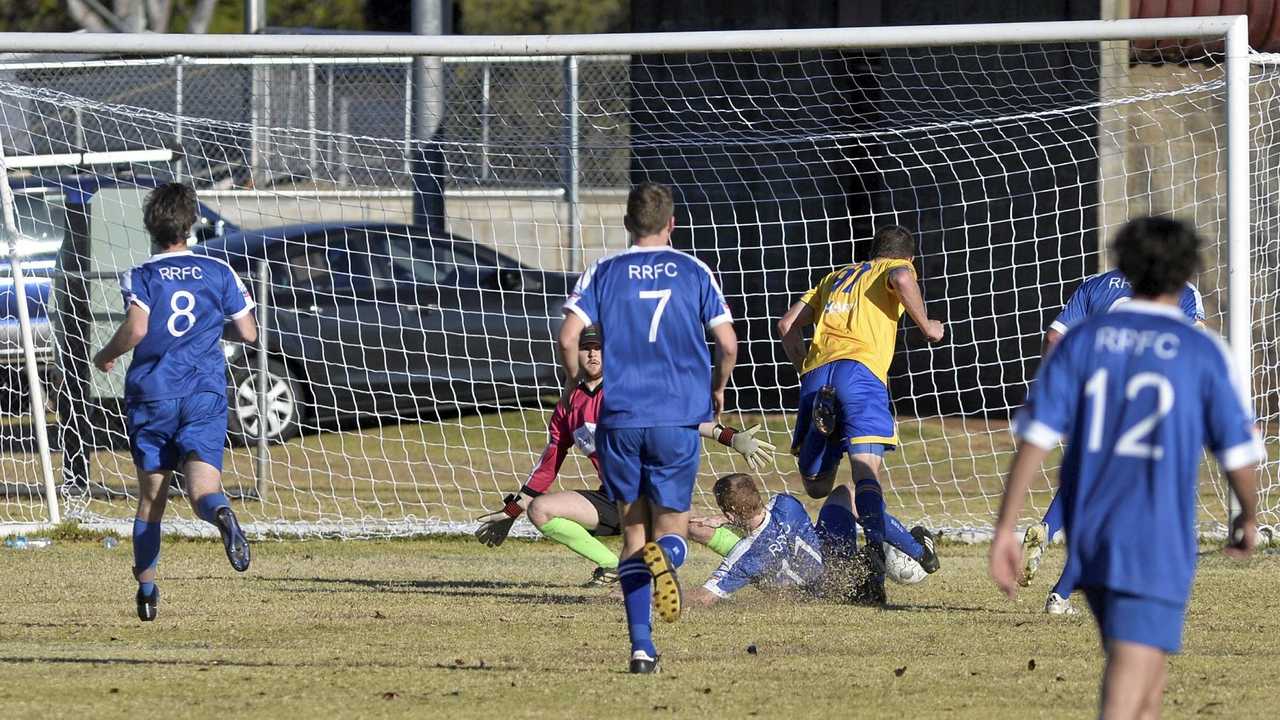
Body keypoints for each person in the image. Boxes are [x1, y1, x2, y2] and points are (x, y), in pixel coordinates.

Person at [989, 216, 1261, 720]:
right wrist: (1248, 514)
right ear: (1186, 273)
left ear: (1126, 266)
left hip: (1089, 527)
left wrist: (1006, 526)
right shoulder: (1199, 349)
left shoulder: (1087, 340)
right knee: (1131, 670)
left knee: (1145, 673)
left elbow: (1034, 437)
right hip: (1154, 528)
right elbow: (1239, 452)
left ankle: (1047, 542)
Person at [558, 181, 737, 674]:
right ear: (672, 223)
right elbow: (727, 343)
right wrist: (717, 390)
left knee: (632, 537)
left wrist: (575, 379)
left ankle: (641, 649)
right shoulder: (693, 270)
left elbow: (569, 335)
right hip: (676, 417)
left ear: (626, 224)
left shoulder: (605, 270)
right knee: (670, 531)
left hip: (620, 418)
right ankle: (670, 554)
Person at [474, 325, 773, 586]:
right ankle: (613, 566)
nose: (592, 355)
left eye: (599, 349)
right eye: (585, 349)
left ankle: (759, 561)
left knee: (689, 528)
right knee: (540, 509)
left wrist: (731, 437)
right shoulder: (567, 407)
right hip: (614, 496)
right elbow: (549, 463)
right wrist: (513, 511)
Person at [91, 182, 258, 622]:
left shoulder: (140, 274)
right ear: (192, 225)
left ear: (151, 227)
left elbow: (138, 329)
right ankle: (222, 515)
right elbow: (248, 333)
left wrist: (106, 355)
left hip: (153, 395)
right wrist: (204, 333)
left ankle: (146, 591)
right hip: (203, 392)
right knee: (204, 488)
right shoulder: (219, 270)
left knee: (152, 500)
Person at [776, 225, 945, 604]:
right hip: (861, 375)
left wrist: (805, 367)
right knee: (866, 477)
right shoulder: (897, 269)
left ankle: (845, 559)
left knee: (822, 487)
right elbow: (901, 278)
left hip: (818, 380)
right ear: (908, 256)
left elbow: (786, 326)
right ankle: (909, 555)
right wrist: (927, 326)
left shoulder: (836, 276)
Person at [1022, 268, 1206, 615]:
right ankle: (1060, 597)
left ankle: (1047, 529)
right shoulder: (1182, 290)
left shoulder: (1097, 283)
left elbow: (1054, 337)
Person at [686, 473, 934, 607]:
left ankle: (872, 572)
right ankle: (909, 553)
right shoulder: (786, 504)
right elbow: (761, 519)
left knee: (695, 527)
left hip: (815, 594)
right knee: (848, 493)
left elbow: (706, 597)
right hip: (839, 568)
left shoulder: (743, 558)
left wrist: (661, 597)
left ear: (730, 513)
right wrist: (726, 517)